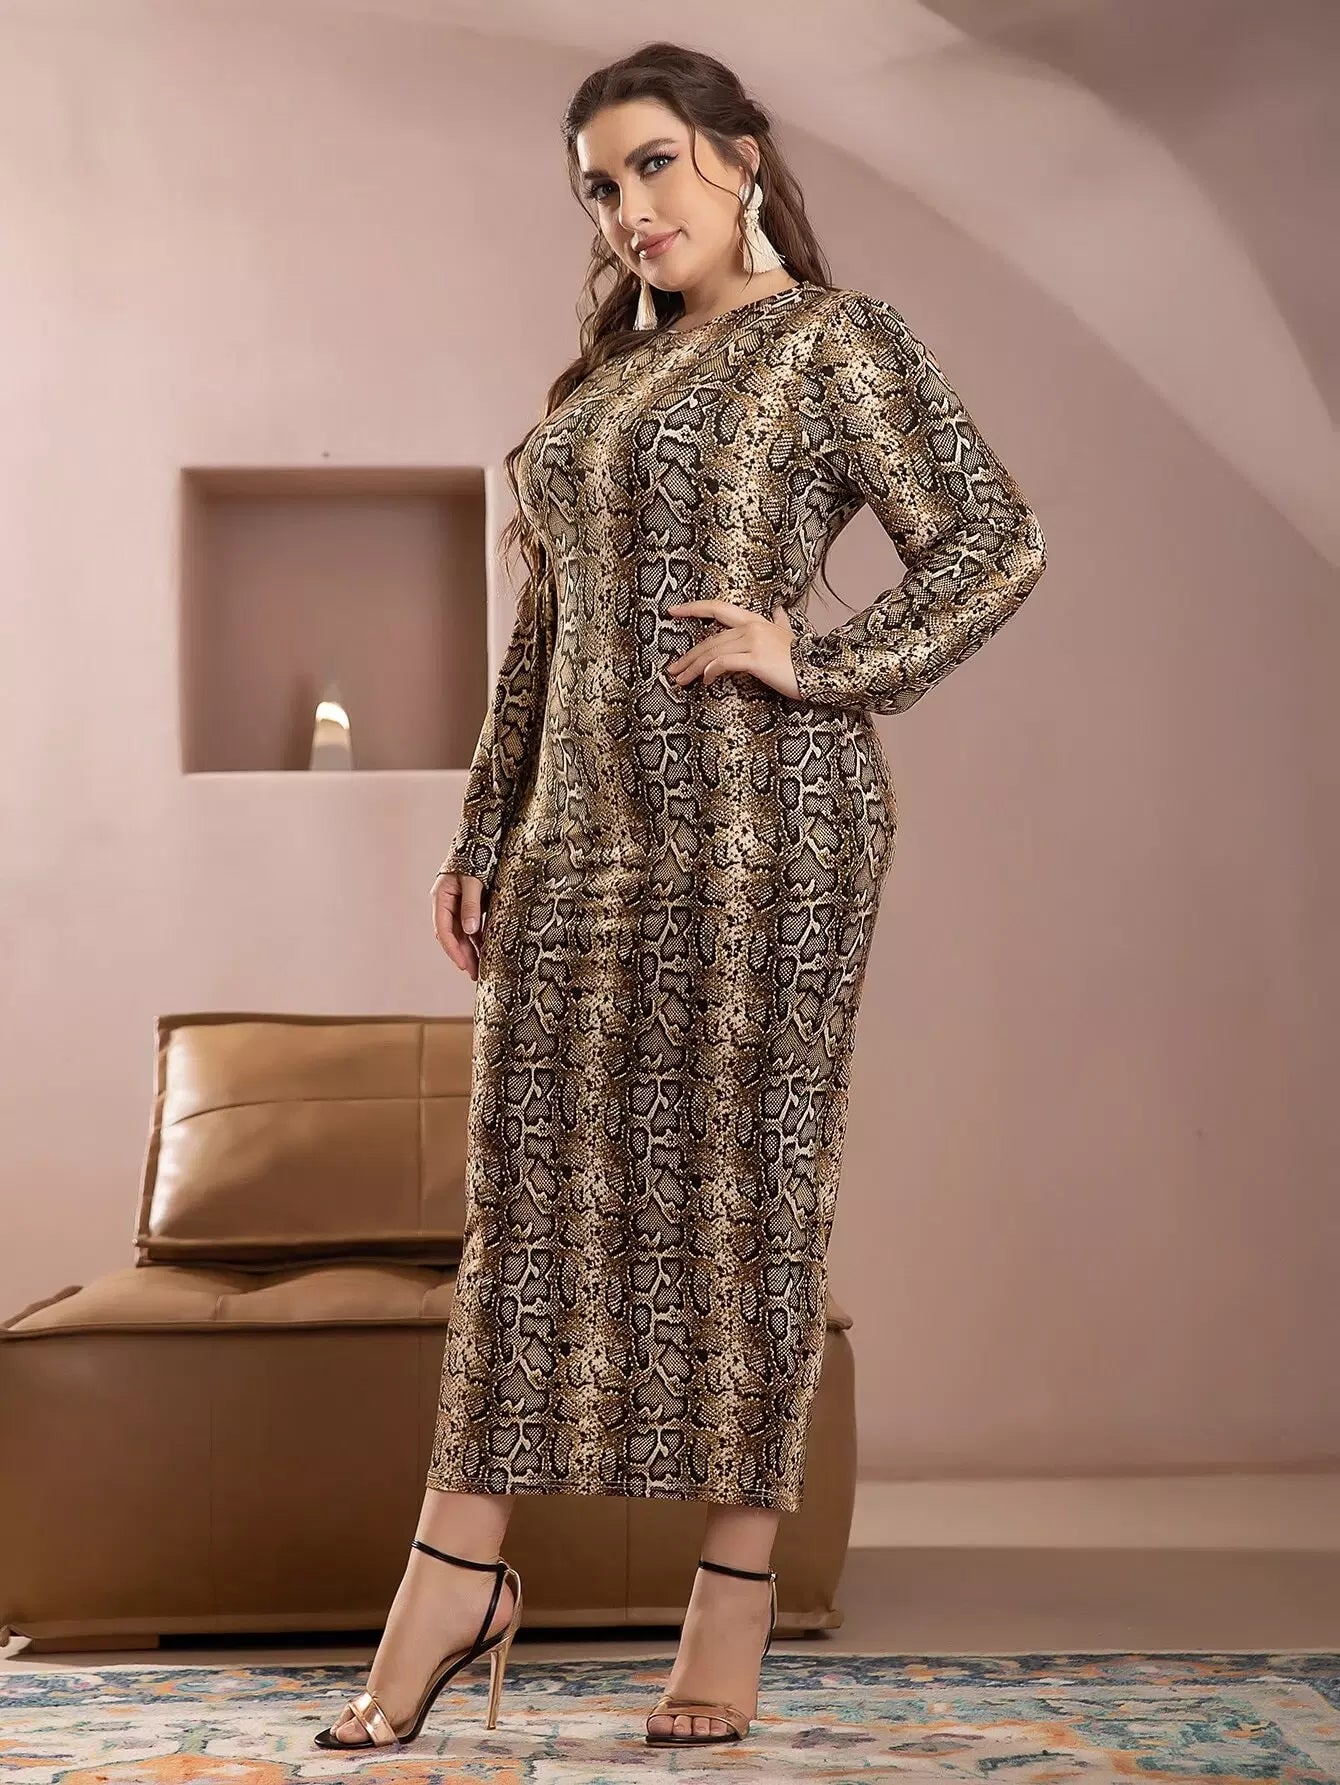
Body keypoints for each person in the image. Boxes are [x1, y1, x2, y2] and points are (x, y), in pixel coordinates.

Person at [316, 38, 1047, 1755]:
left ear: (739, 156)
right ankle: (457, 1574)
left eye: (653, 164)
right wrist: (482, 827)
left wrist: (822, 657)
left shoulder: (835, 341)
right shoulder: (598, 388)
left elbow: (994, 540)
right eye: (599, 185)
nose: (628, 208)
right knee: (528, 1197)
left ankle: (729, 1605)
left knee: (745, 1193)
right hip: (578, 833)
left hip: (764, 831)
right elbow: (548, 629)